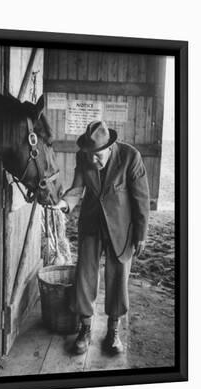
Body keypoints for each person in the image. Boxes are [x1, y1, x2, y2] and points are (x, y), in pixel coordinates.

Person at [52, 120, 150, 355]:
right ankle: (85, 329)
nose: (93, 160)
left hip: (121, 227)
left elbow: (141, 199)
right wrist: (64, 203)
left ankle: (113, 331)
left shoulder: (130, 157)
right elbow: (77, 189)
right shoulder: (84, 156)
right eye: (89, 155)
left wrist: (141, 234)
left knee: (118, 278)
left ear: (110, 147)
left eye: (98, 155)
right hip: (92, 223)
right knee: (85, 275)